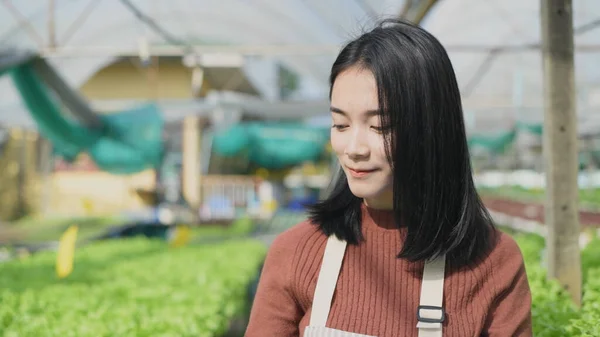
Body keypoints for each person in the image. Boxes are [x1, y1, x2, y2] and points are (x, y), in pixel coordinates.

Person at [245, 18, 532, 337]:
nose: (353, 149)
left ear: (432, 129)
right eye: (340, 125)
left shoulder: (494, 262)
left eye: (380, 126)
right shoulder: (297, 251)